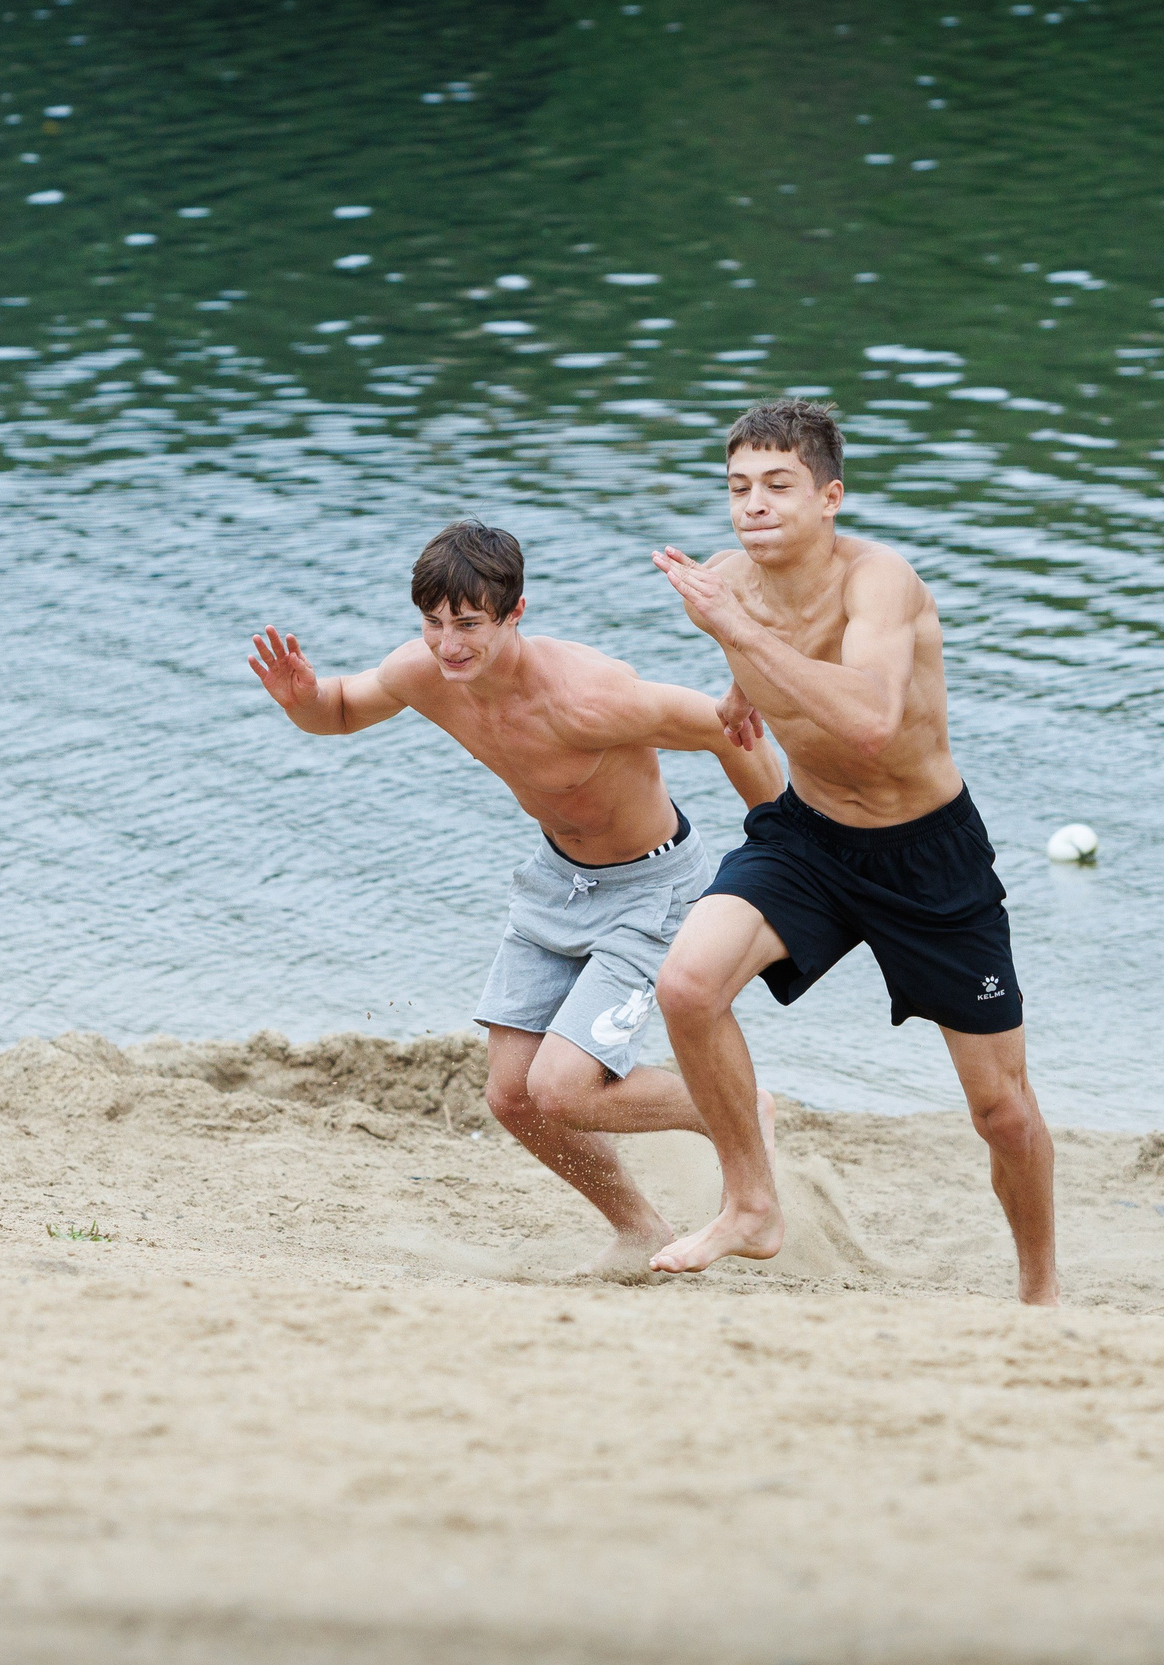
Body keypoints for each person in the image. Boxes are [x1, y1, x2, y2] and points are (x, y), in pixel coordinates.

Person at [249, 521, 787, 1277]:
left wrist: (783, 849)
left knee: (563, 1089)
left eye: (468, 624)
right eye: (434, 624)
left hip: (652, 890)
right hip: (555, 883)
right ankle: (638, 1227)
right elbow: (339, 708)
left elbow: (734, 730)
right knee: (513, 1097)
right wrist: (300, 700)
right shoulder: (427, 671)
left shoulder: (591, 698)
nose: (448, 644)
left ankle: (734, 1112)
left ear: (515, 613)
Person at [647, 400, 1059, 1304]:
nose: (754, 505)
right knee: (686, 986)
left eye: (779, 486)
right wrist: (735, 689)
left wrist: (740, 637)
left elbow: (871, 720)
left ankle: (1039, 1294)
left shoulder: (882, 581)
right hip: (812, 837)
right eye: (738, 487)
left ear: (830, 496)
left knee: (1003, 1113)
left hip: (928, 856)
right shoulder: (725, 582)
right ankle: (752, 1203)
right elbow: (766, 658)